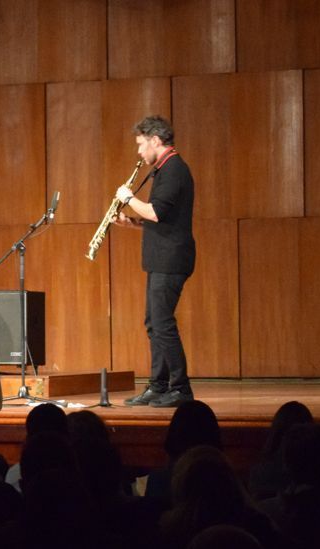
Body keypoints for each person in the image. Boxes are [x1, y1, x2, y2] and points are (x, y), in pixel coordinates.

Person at [114, 116, 195, 408]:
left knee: (162, 323)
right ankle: (159, 386)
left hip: (171, 259)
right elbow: (162, 219)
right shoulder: (165, 169)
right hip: (162, 257)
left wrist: (128, 197)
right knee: (154, 323)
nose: (138, 151)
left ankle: (180, 387)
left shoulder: (173, 169)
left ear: (155, 141)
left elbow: (157, 212)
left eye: (140, 144)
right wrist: (132, 223)